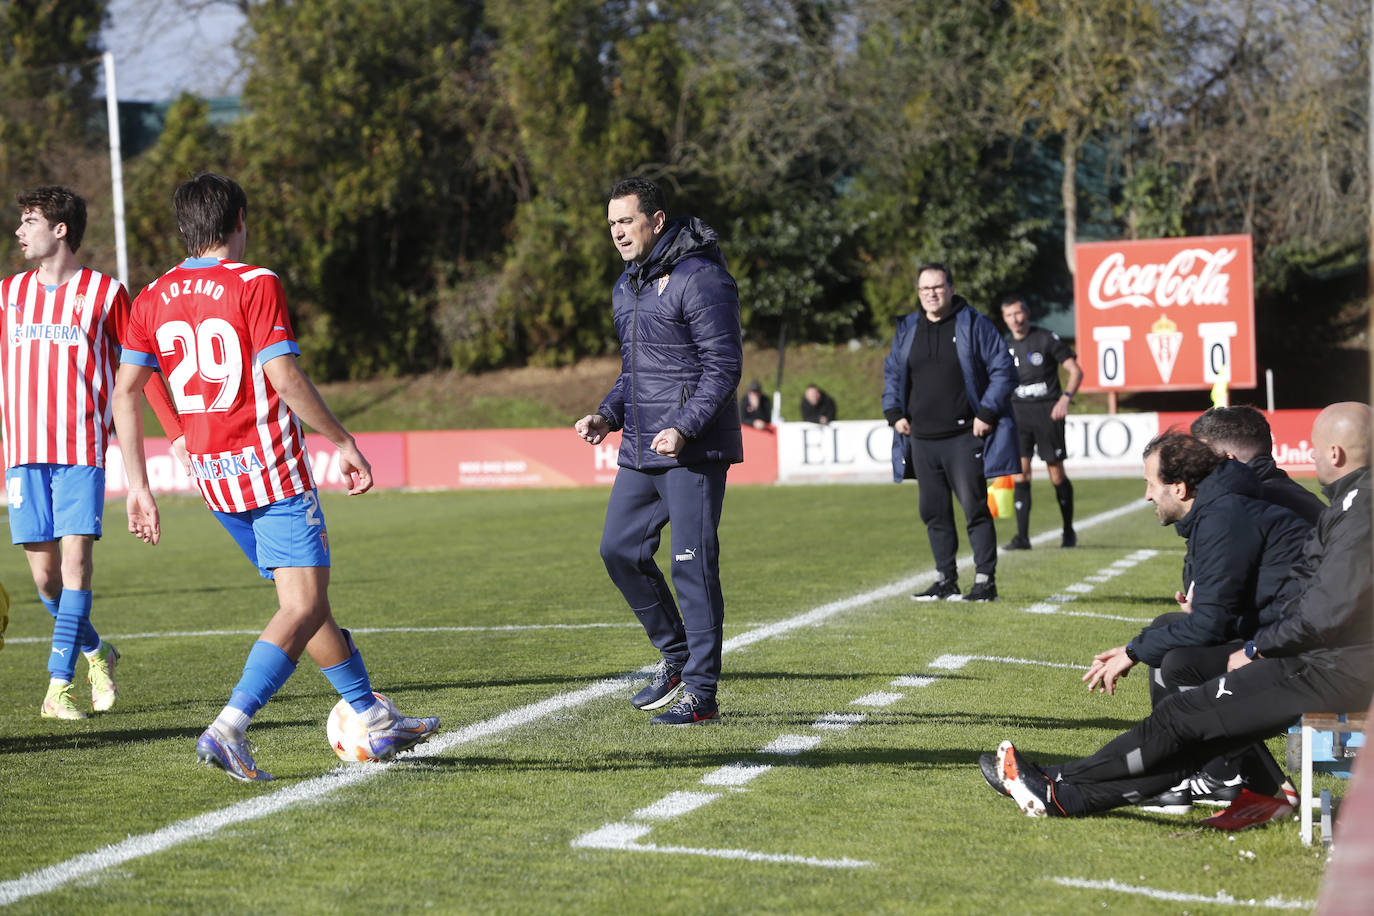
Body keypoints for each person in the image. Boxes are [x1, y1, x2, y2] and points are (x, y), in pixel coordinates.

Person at [113, 173, 438, 781]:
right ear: (239, 219)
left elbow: (125, 392)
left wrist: (138, 483)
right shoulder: (255, 282)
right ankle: (230, 727)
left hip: (215, 479)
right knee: (304, 601)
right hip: (270, 471)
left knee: (305, 604)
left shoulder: (152, 295)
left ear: (185, 227)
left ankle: (371, 713)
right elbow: (283, 376)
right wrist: (343, 440)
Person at [987, 403, 1374, 829]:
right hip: (1325, 657)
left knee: (1186, 716)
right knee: (1192, 722)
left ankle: (1057, 785)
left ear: (1335, 454)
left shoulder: (1359, 507)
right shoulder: (1349, 503)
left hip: (1333, 664)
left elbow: (1323, 611)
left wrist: (1257, 647)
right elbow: (1306, 592)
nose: (1311, 458)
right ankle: (1063, 793)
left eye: (1317, 450)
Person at [1, 186, 183, 719]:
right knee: (45, 580)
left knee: (77, 564)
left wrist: (173, 431)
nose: (19, 230)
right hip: (23, 454)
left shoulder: (106, 293)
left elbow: (139, 371)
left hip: (81, 450)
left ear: (60, 229)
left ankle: (59, 689)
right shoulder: (9, 294)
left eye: (29, 220)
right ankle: (95, 651)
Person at [574, 176, 742, 726]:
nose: (618, 233)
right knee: (619, 550)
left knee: (691, 565)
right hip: (641, 448)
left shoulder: (702, 278)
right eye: (612, 224)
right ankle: (675, 656)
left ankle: (702, 694)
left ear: (657, 220)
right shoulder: (628, 286)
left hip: (692, 450)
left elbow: (724, 368)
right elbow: (636, 371)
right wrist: (607, 414)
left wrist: (686, 428)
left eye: (627, 221)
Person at [1075, 431, 1310, 810]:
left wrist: (1133, 651)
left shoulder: (1225, 514)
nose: (1147, 495)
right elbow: (1216, 607)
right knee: (1167, 631)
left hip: (1298, 647)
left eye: (1152, 484)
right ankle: (1205, 775)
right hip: (1278, 632)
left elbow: (1209, 625)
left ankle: (1224, 776)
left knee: (1181, 661)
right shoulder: (1218, 509)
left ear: (1180, 488)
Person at [882, 262, 1018, 602]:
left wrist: (986, 411)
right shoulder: (909, 328)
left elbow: (1003, 368)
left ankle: (985, 582)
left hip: (963, 437)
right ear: (918, 293)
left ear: (951, 288)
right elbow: (893, 372)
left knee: (974, 508)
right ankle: (946, 580)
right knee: (933, 512)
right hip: (921, 439)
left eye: (938, 287)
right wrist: (893, 412)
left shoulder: (973, 323)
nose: (931, 293)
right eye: (925, 288)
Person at [999, 295, 1083, 550]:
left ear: (1027, 312)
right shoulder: (1003, 346)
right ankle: (1022, 537)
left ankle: (1068, 531)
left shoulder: (1045, 338)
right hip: (1018, 416)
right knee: (1020, 474)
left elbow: (1076, 370)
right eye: (1009, 315)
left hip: (1048, 413)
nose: (1015, 319)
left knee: (1055, 473)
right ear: (1004, 319)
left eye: (1018, 313)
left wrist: (1065, 398)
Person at [1191, 405, 1325, 526]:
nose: (1197, 465)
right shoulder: (1306, 500)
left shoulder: (1244, 509)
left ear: (1229, 460)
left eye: (1203, 457)